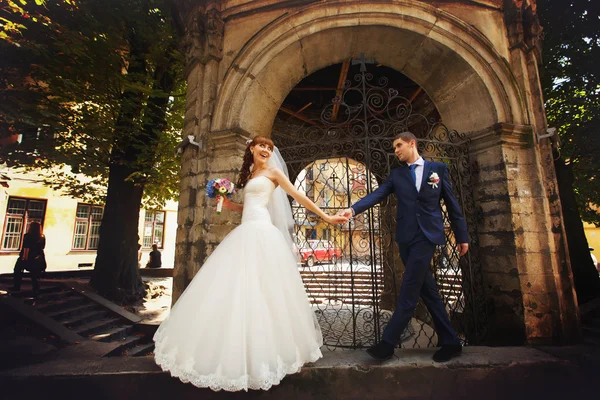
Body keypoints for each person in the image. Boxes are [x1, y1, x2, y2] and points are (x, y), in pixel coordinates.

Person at [153, 135, 348, 391]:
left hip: (262, 232)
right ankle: (232, 351)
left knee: (266, 290)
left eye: (269, 147)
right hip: (245, 230)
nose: (266, 149)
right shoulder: (248, 176)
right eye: (262, 146)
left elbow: (299, 196)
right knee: (235, 289)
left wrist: (328, 217)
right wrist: (225, 202)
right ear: (252, 148)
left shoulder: (274, 172)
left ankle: (270, 353)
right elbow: (244, 207)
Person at [337, 131, 469, 363]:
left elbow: (451, 203)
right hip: (407, 238)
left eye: (399, 145)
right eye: (394, 147)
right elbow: (378, 194)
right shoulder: (396, 174)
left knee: (409, 289)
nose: (396, 150)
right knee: (428, 291)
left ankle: (387, 343)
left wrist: (462, 236)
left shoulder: (437, 169)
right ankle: (451, 341)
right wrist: (353, 209)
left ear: (412, 143)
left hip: (427, 236)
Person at [11, 221, 47, 297]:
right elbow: (42, 248)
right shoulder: (42, 237)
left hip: (27, 256)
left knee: (17, 270)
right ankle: (36, 290)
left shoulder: (27, 236)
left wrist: (24, 258)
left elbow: (26, 248)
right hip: (37, 258)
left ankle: (16, 286)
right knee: (34, 275)